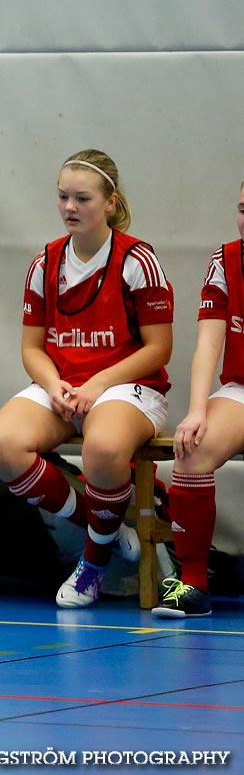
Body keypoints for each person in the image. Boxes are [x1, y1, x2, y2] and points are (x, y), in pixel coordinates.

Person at [0, 149, 173, 609]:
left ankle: (93, 561)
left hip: (129, 386)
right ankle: (108, 525)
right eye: (63, 196)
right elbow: (32, 348)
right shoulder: (45, 263)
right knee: (1, 445)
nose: (70, 207)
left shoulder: (137, 260)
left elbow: (158, 349)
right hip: (65, 385)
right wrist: (53, 386)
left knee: (103, 448)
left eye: (82, 198)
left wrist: (99, 384)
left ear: (110, 202)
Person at [152, 180, 244, 619]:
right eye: (243, 209)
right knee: (191, 451)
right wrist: (197, 410)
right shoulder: (226, 259)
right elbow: (209, 344)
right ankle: (193, 582)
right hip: (241, 391)